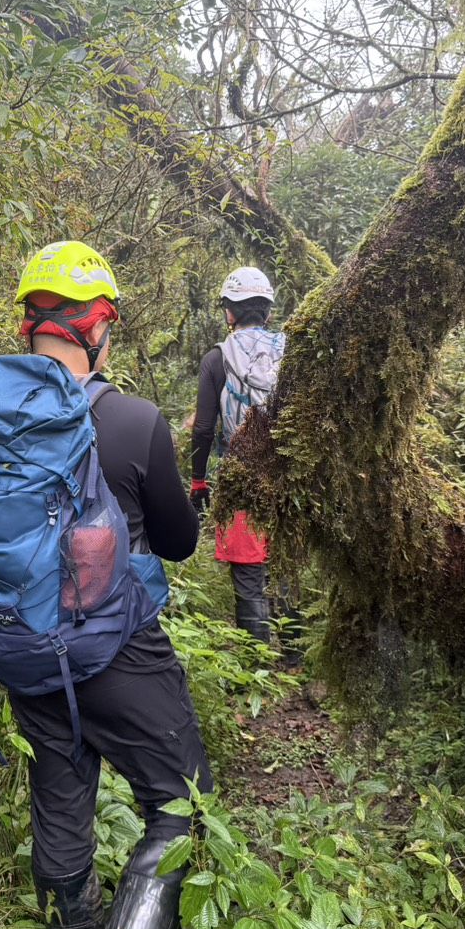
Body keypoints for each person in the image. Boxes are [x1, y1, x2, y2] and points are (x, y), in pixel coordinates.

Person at [10, 241, 211, 929]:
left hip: (21, 648)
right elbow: (179, 543)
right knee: (181, 806)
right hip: (116, 648)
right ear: (96, 325)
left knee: (61, 811)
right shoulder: (132, 421)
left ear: (30, 324)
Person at [189, 266, 293, 652]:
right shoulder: (291, 349)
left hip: (239, 476)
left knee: (249, 570)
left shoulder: (216, 358)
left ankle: (255, 661)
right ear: (267, 311)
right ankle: (295, 654)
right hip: (286, 474)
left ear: (229, 313)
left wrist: (199, 480)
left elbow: (203, 429)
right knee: (283, 560)